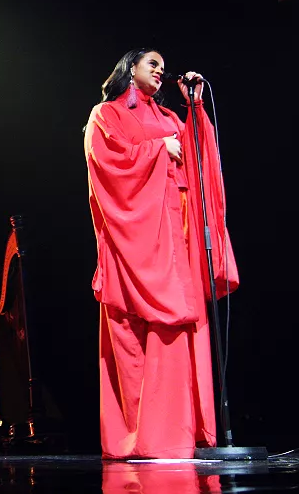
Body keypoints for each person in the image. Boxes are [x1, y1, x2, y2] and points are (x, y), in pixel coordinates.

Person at [84, 48, 239, 459]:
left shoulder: (171, 118)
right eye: (151, 63)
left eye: (162, 66)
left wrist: (195, 104)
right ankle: (143, 435)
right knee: (136, 335)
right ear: (129, 69)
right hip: (137, 238)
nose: (160, 70)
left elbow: (200, 160)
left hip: (179, 234)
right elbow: (106, 165)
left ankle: (188, 431)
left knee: (184, 329)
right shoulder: (107, 114)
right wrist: (156, 151)